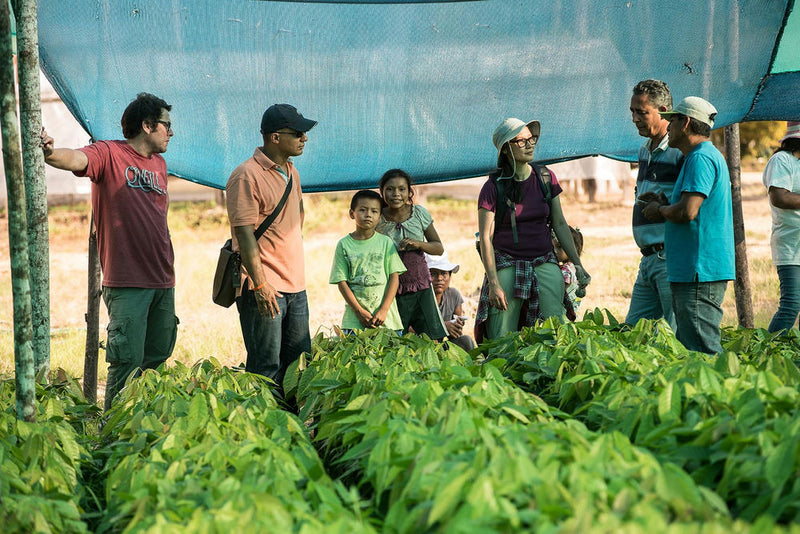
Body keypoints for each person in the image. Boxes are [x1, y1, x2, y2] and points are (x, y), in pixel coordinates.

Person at [40, 92, 178, 410]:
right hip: (127, 282)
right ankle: (113, 430)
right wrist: (50, 153)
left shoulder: (160, 164)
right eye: (166, 125)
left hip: (163, 279)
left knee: (156, 360)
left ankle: (144, 423)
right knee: (126, 362)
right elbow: (76, 159)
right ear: (147, 125)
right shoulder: (109, 153)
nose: (171, 132)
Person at [225, 103, 315, 403]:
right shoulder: (245, 175)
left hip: (296, 286)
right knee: (266, 369)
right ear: (275, 137)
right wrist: (261, 284)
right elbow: (244, 235)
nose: (304, 138)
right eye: (298, 133)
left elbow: (297, 217)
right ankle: (265, 427)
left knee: (299, 366)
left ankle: (294, 426)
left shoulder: (292, 172)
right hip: (264, 288)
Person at [475, 117, 590, 341]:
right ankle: (502, 362)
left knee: (555, 328)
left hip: (543, 258)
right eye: (521, 141)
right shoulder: (492, 187)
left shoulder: (545, 178)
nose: (529, 145)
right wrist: (494, 283)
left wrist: (578, 264)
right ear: (506, 149)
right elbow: (486, 238)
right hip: (508, 261)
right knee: (502, 335)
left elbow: (559, 223)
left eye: (531, 139)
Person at [641, 96, 734, 354]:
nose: (668, 127)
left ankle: (724, 382)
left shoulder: (700, 158)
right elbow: (690, 205)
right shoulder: (700, 156)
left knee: (703, 351)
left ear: (685, 123)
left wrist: (660, 210)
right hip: (695, 268)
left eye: (672, 121)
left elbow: (688, 211)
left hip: (699, 269)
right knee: (691, 348)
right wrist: (665, 202)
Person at [626, 80, 683, 331]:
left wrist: (661, 206)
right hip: (648, 258)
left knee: (675, 335)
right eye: (632, 112)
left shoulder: (679, 150)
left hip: (669, 256)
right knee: (632, 333)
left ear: (663, 111)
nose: (635, 119)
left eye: (642, 112)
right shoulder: (644, 150)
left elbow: (691, 204)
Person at [376, 169, 448, 340]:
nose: (396, 194)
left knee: (432, 338)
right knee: (394, 339)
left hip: (420, 285)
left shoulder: (419, 214)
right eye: (390, 189)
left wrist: (418, 244)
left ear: (409, 192)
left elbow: (438, 247)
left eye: (402, 189)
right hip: (390, 288)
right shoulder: (377, 218)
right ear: (382, 192)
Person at [329, 190, 406, 334]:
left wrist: (383, 310)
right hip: (354, 321)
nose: (368, 214)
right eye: (363, 210)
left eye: (374, 211)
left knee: (390, 349)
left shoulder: (385, 243)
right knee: (355, 349)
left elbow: (394, 278)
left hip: (387, 319)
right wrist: (359, 312)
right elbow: (341, 282)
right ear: (352, 213)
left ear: (379, 216)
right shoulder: (344, 245)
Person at [762, 122, 800, 332]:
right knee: (791, 304)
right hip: (790, 244)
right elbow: (780, 197)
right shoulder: (781, 160)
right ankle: (767, 350)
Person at [425, 252, 476, 351]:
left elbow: (454, 335)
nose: (439, 278)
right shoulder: (420, 296)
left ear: (450, 276)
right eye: (433, 274)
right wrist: (442, 327)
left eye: (444, 273)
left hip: (441, 347)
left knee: (466, 341)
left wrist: (456, 327)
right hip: (422, 347)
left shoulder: (453, 295)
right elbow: (410, 329)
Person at [552, 226, 584, 317]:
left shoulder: (567, 269)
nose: (555, 251)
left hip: (562, 312)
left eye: (559, 247)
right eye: (552, 246)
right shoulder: (572, 267)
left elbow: (559, 289)